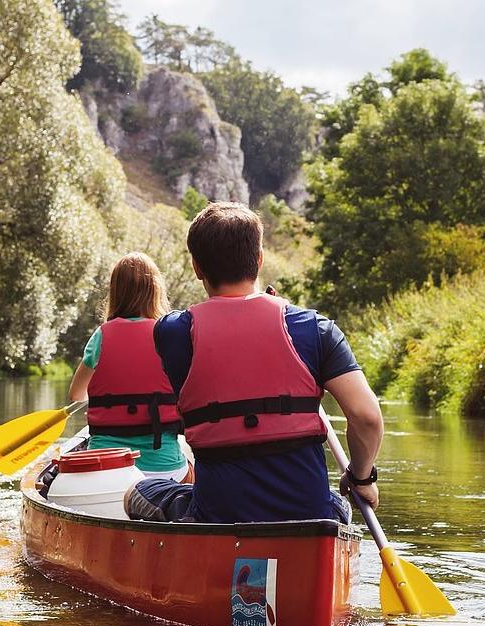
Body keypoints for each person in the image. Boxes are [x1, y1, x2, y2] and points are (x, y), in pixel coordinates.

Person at [124, 202, 383, 523]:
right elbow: (367, 417)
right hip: (307, 515)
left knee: (136, 492)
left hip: (217, 514)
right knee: (337, 504)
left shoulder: (172, 333)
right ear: (259, 260)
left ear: (196, 267)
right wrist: (361, 479)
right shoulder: (315, 328)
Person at [69, 253, 190, 481]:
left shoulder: (101, 336)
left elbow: (76, 394)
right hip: (163, 468)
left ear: (115, 292)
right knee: (193, 470)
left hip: (105, 466)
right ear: (156, 291)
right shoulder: (168, 336)